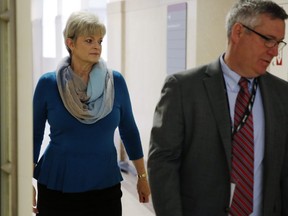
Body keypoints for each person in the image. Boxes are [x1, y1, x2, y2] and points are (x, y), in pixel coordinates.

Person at [148, 0, 288, 215]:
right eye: (268, 40)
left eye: (279, 43)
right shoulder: (184, 88)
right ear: (238, 32)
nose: (274, 52)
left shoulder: (282, 94)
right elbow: (163, 163)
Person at [32, 11, 150, 216]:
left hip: (104, 184)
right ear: (70, 43)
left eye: (100, 40)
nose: (97, 46)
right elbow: (33, 135)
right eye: (89, 40)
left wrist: (142, 176)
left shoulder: (115, 82)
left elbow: (129, 130)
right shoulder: (48, 84)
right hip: (58, 184)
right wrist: (25, 182)